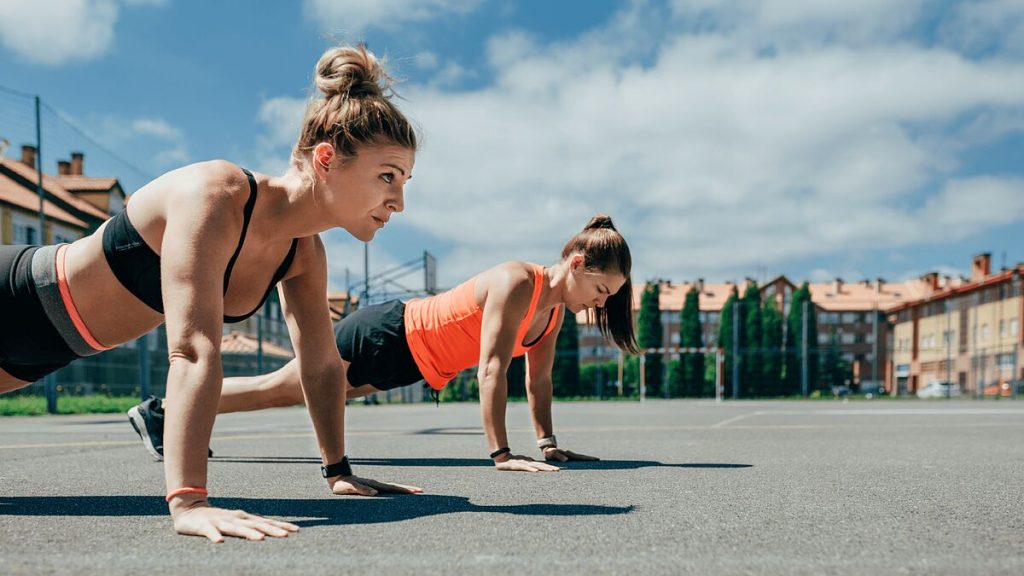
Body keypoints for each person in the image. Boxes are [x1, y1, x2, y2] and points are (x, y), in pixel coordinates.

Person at [0, 43, 421, 542]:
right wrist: (190, 502)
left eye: (405, 181)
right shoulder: (217, 196)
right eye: (387, 176)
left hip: (40, 355)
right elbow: (194, 349)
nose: (398, 201)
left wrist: (338, 471)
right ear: (326, 159)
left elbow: (323, 364)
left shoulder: (303, 254)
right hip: (16, 296)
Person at [128, 215, 638, 473]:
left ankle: (167, 414)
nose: (597, 303)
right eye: (599, 290)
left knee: (283, 390)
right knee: (283, 388)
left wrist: (547, 445)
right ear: (574, 264)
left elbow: (538, 381)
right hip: (388, 333)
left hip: (408, 361)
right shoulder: (517, 283)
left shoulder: (550, 318)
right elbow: (491, 368)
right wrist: (501, 454)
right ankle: (165, 411)